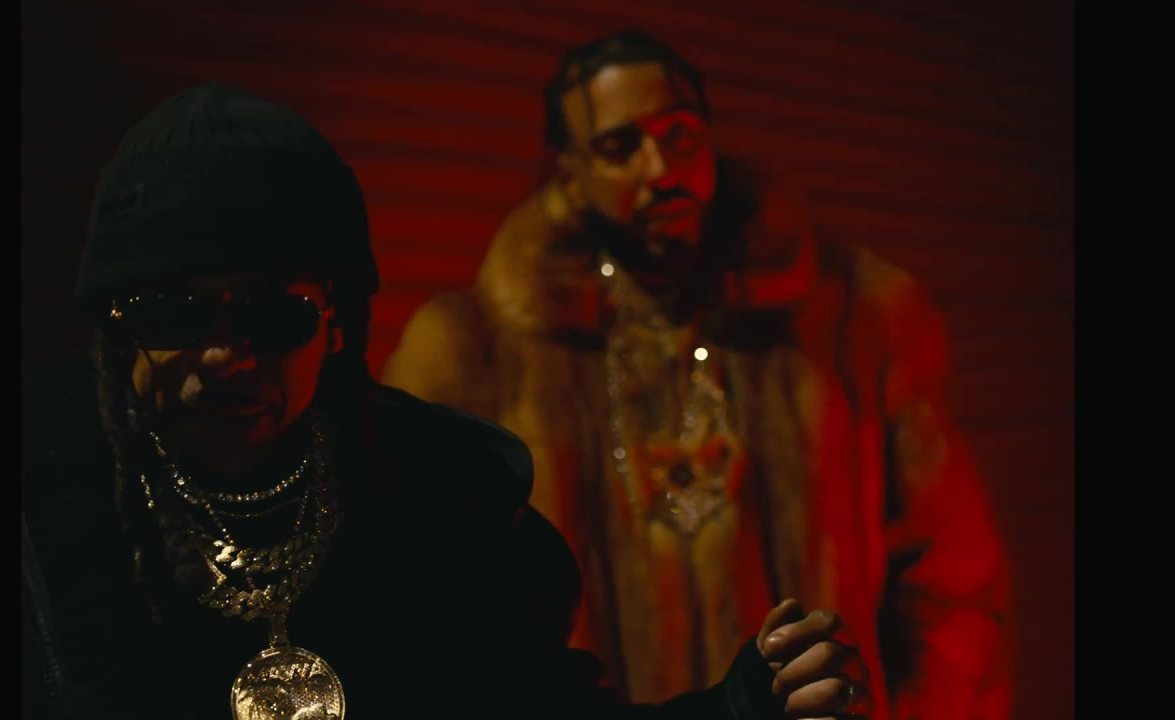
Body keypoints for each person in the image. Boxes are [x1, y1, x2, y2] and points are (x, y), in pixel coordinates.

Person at [20, 81, 875, 720]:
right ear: (115, 327)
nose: (225, 355)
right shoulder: (41, 506)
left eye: (277, 314)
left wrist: (736, 707)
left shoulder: (439, 501)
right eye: (175, 313)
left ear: (337, 324)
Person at [382, 31, 1012, 719]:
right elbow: (429, 622)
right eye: (620, 147)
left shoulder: (854, 323)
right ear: (569, 172)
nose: (661, 169)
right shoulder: (477, 357)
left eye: (679, 136)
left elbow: (951, 588)